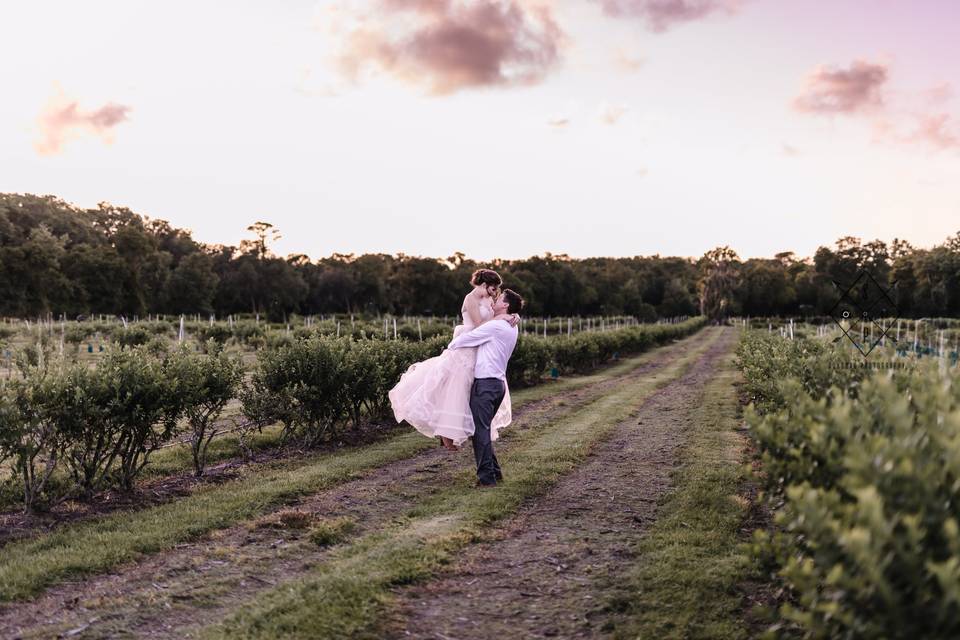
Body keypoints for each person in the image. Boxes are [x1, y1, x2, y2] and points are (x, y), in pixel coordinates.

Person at [388, 269, 518, 450]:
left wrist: (513, 315)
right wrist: (503, 317)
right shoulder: (470, 299)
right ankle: (446, 433)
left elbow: (500, 312)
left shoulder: (489, 299)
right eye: (493, 288)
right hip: (466, 346)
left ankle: (465, 431)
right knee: (454, 390)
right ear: (484, 284)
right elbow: (480, 325)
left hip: (479, 348)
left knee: (469, 393)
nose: (495, 292)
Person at [446, 288, 524, 487]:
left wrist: (451, 347)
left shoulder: (496, 326)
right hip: (498, 385)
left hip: (486, 385)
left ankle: (486, 479)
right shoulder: (512, 326)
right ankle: (494, 473)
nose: (494, 301)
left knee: (480, 432)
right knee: (483, 430)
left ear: (505, 305)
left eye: (499, 300)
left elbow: (464, 340)